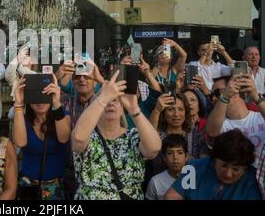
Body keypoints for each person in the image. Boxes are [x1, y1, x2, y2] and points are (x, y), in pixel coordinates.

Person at [72, 71, 161, 200]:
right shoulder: (87, 136)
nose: (110, 103)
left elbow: (154, 149)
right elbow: (78, 138)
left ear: (121, 110)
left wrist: (134, 109)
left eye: (115, 100)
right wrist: (103, 97)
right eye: (106, 100)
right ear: (96, 109)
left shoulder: (133, 136)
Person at [13, 75, 72, 200]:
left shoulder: (63, 116)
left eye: (45, 95)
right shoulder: (23, 120)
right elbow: (20, 142)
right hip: (28, 186)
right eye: (35, 96)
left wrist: (56, 102)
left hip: (55, 187)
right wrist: (18, 102)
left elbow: (64, 138)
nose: (40, 102)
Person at [165, 129, 262, 200]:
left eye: (236, 169)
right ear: (214, 160)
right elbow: (172, 196)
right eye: (223, 165)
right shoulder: (194, 168)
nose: (228, 174)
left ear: (245, 168)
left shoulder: (252, 179)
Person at [206, 73, 265, 165]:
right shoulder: (220, 124)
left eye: (217, 93)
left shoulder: (260, 117)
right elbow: (211, 132)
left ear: (236, 92)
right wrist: (225, 96)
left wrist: (256, 96)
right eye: (211, 95)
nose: (213, 98)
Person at [150, 93, 204, 160]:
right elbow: (149, 135)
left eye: (180, 109)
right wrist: (157, 110)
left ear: (185, 112)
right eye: (170, 109)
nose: (176, 114)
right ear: (163, 113)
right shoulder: (159, 136)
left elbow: (203, 161)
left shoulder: (195, 134)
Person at [146, 134, 188, 200]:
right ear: (164, 157)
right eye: (170, 153)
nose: (175, 158)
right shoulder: (155, 182)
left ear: (186, 156)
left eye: (180, 153)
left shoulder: (195, 180)